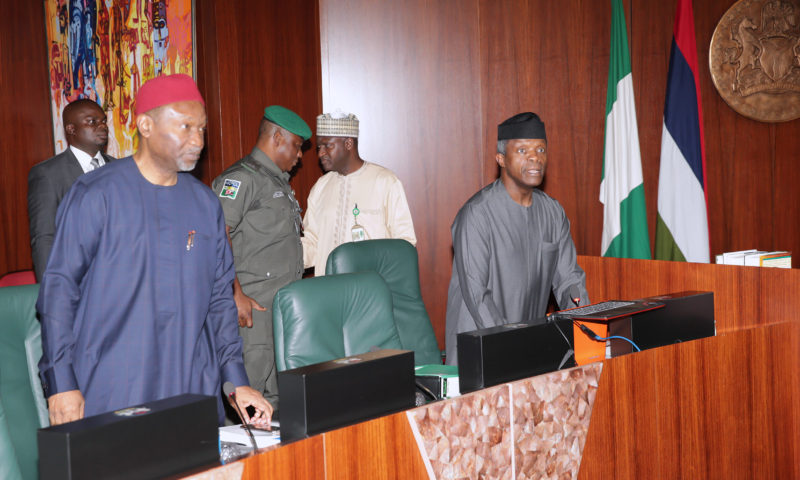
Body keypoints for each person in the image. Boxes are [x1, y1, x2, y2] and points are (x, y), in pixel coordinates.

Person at [37, 74, 271, 427]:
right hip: (111, 389)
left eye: (202, 129)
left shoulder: (204, 203)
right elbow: (58, 289)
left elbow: (219, 299)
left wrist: (237, 381)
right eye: (186, 126)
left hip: (190, 387)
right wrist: (62, 382)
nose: (198, 140)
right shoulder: (95, 194)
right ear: (145, 125)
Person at [445, 112, 589, 365]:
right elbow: (478, 297)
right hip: (482, 354)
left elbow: (569, 280)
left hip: (529, 350)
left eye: (541, 149)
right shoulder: (476, 215)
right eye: (522, 150)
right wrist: (516, 346)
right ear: (500, 159)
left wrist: (586, 327)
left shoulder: (553, 212)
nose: (535, 157)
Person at [211, 105, 310, 411]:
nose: (300, 155)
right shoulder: (241, 179)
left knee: (278, 402)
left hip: (280, 310)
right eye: (296, 145)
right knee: (246, 399)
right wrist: (234, 293)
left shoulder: (276, 180)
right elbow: (217, 235)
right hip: (252, 312)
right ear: (277, 137)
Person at [302, 112, 416, 275]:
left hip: (371, 293)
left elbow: (405, 245)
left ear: (348, 143)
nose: (321, 153)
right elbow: (312, 243)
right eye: (319, 147)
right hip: (328, 291)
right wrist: (281, 256)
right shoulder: (320, 187)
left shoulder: (385, 181)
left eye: (328, 145)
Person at [28, 99, 115, 281]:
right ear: (71, 129)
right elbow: (44, 237)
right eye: (92, 121)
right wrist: (51, 292)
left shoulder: (120, 168)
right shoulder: (47, 174)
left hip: (121, 281)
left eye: (103, 121)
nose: (102, 126)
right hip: (76, 282)